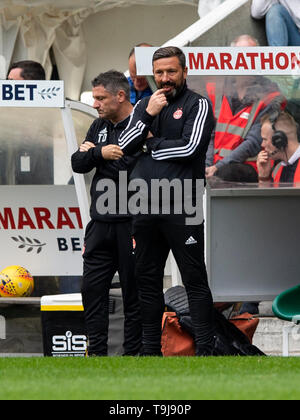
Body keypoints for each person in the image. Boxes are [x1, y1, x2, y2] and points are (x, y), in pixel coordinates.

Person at [119, 46, 216, 356]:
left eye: (171, 71)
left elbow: (189, 148)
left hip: (182, 206)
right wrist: (147, 116)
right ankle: (150, 352)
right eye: (159, 72)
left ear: (184, 72)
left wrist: (151, 146)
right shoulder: (145, 105)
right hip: (144, 206)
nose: (165, 78)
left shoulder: (197, 104)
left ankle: (205, 350)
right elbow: (124, 146)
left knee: (194, 279)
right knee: (146, 280)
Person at [71, 70, 142, 356]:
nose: (96, 104)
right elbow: (77, 163)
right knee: (91, 290)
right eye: (95, 98)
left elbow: (130, 171)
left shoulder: (140, 126)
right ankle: (97, 353)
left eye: (101, 98)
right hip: (99, 223)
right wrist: (100, 153)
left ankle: (133, 354)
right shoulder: (98, 125)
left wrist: (94, 154)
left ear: (120, 96)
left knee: (133, 292)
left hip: (132, 223)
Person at [205, 34, 284, 178]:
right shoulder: (216, 89)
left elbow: (253, 143)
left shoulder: (270, 96)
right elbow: (208, 135)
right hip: (214, 164)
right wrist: (207, 165)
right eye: (240, 56)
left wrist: (217, 167)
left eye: (250, 57)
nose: (244, 62)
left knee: (227, 173)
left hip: (247, 166)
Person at [257, 110, 300, 184]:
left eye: (265, 139)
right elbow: (269, 196)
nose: (262, 144)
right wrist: (264, 176)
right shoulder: (278, 169)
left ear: (279, 140)